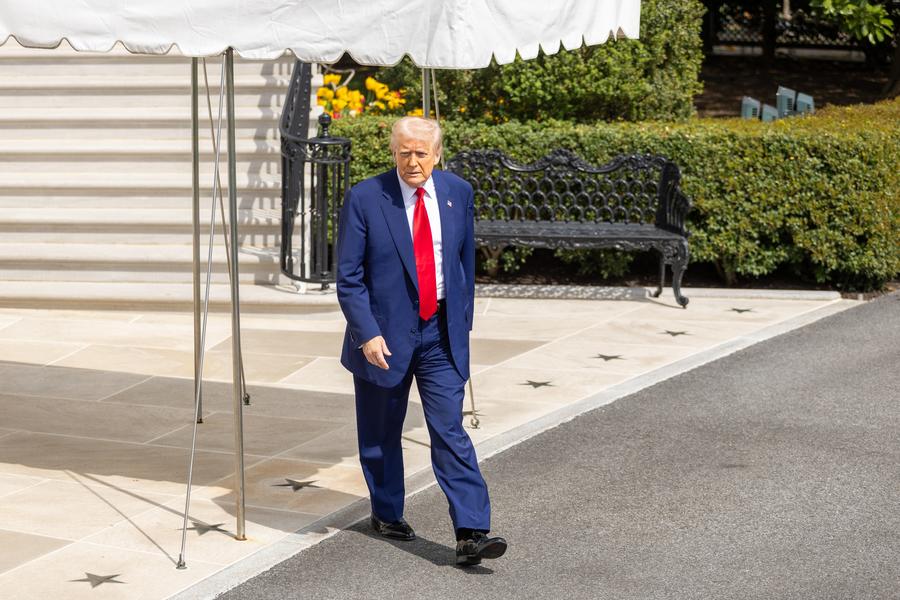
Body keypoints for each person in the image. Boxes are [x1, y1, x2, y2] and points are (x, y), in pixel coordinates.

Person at [335, 116, 507, 566]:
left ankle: (472, 531)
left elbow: (464, 264)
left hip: (440, 335)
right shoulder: (366, 197)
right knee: (380, 433)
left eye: (421, 153)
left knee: (449, 428)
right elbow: (348, 277)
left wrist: (462, 323)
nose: (413, 161)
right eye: (404, 152)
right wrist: (366, 332)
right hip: (383, 337)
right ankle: (387, 511)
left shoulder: (457, 193)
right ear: (393, 152)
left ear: (437, 154)